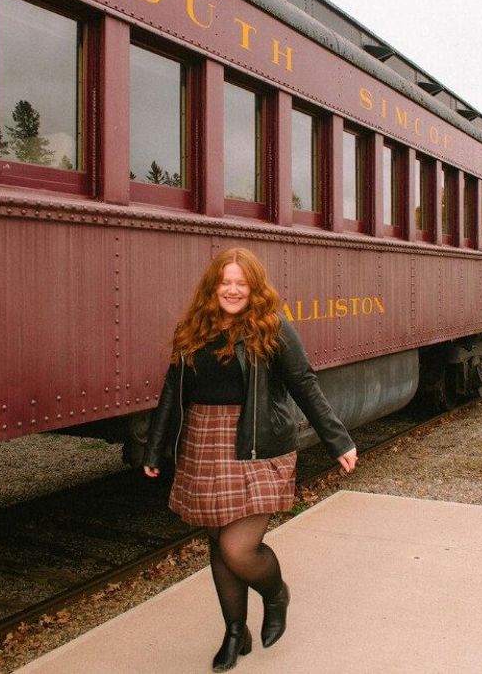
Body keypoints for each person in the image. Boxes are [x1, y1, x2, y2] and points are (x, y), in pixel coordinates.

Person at [141, 247, 359, 672]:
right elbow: (172, 390)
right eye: (226, 282)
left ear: (254, 288)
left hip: (257, 443)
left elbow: (304, 383)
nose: (233, 290)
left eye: (241, 283)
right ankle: (235, 632)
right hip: (203, 443)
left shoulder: (272, 327)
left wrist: (339, 441)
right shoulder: (193, 328)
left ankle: (275, 594)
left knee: (237, 548)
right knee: (218, 545)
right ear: (213, 287)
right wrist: (155, 448)